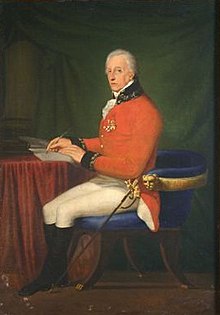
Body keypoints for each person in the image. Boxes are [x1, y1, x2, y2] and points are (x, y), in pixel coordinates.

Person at [18, 49, 163, 296]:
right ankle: (56, 275)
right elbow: (110, 145)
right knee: (48, 209)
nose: (111, 76)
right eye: (108, 71)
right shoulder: (120, 103)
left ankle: (50, 277)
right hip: (109, 181)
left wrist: (83, 157)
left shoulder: (146, 111)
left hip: (131, 188)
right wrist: (76, 143)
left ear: (131, 73)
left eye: (118, 70)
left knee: (64, 211)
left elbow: (132, 168)